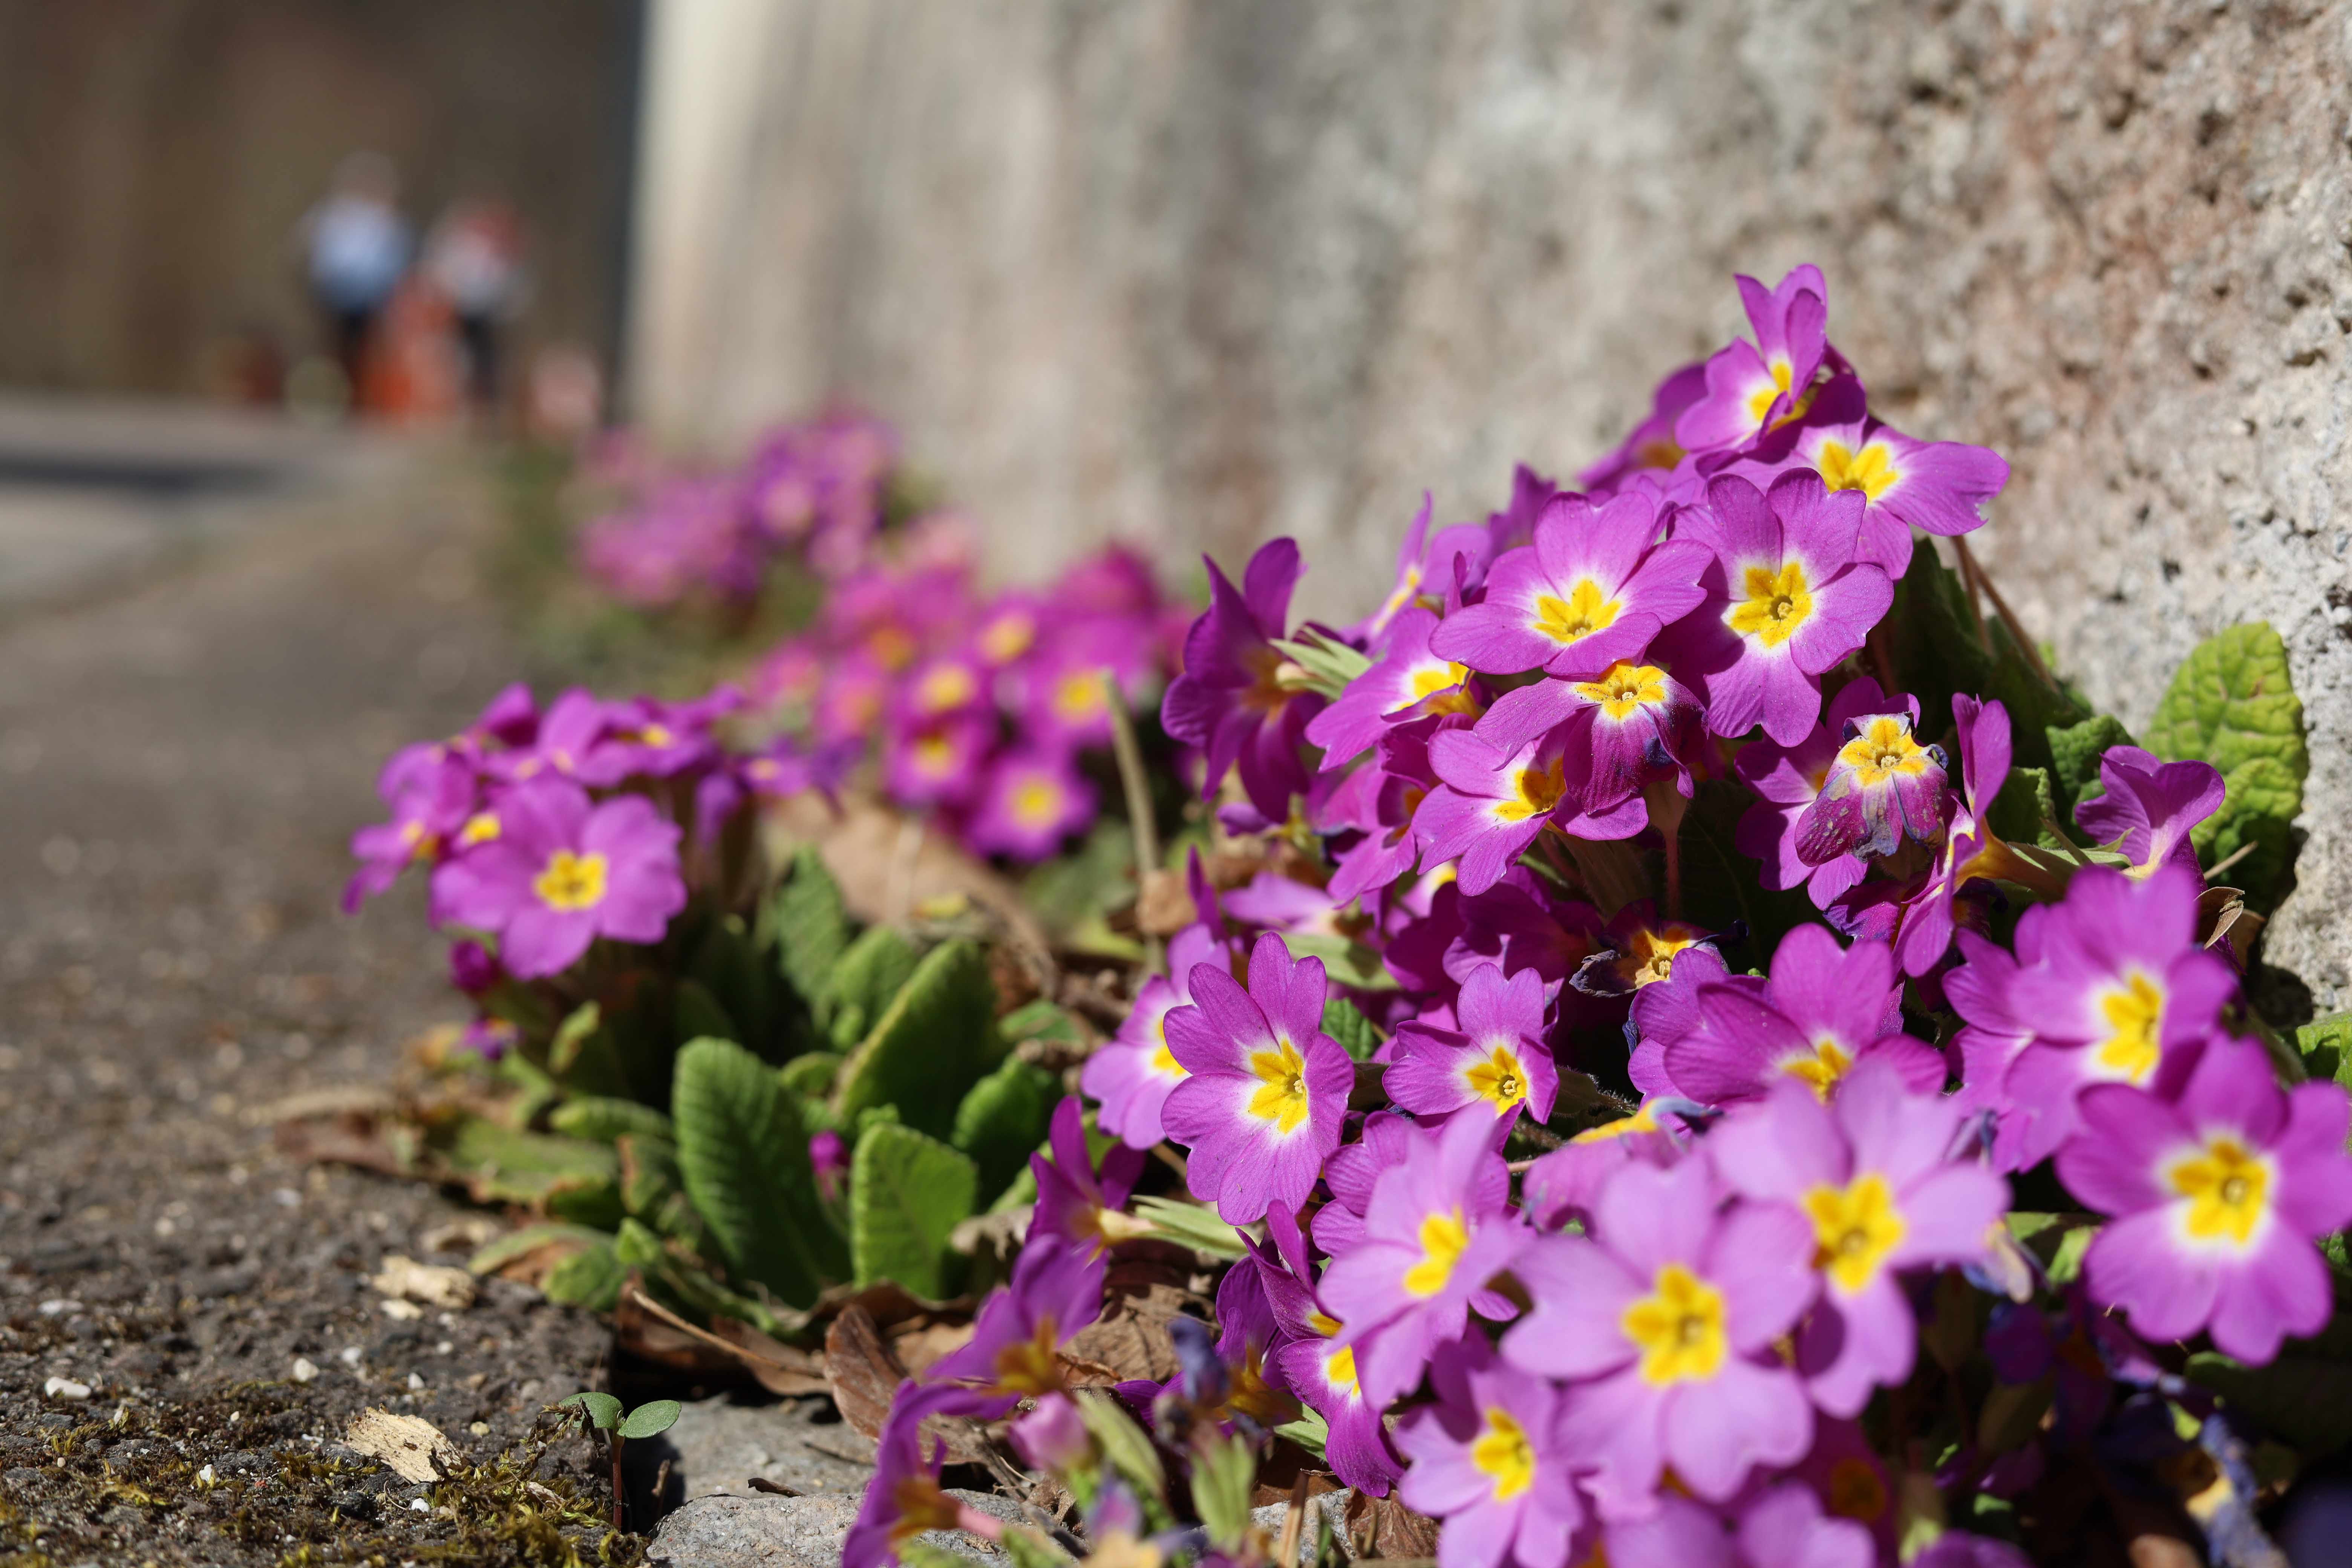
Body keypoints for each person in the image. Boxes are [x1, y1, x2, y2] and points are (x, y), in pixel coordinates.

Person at [297, 152, 413, 412]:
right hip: (335, 293)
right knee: (334, 346)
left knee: (367, 349)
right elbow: (309, 249)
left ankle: (364, 397)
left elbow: (396, 259)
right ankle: (332, 396)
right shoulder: (332, 215)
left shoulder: (388, 221)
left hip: (372, 297)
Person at [423, 198, 528, 418]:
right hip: (458, 312)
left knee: (488, 362)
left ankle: (487, 404)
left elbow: (511, 287)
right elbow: (444, 276)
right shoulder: (459, 246)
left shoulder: (503, 250)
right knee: (455, 358)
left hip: (490, 316)